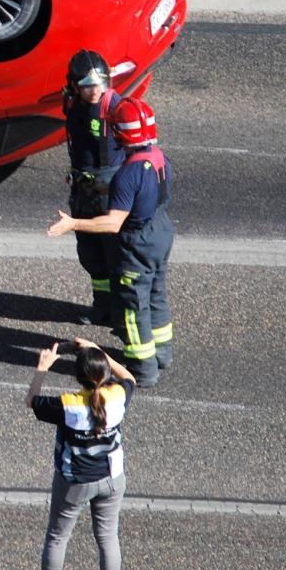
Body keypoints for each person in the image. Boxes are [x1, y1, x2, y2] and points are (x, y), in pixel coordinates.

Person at [46, 96, 173, 385]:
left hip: (136, 242)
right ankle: (163, 353)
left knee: (132, 306)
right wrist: (102, 186)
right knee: (156, 293)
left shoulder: (128, 173)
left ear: (119, 133)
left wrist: (73, 223)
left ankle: (142, 369)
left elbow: (113, 222)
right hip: (161, 232)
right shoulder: (160, 159)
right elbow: (144, 194)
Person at [16, 338, 137, 570]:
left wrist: (43, 368)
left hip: (75, 482)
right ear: (105, 373)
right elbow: (130, 377)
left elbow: (31, 401)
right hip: (111, 477)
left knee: (58, 536)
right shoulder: (118, 397)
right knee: (107, 537)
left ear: (78, 378)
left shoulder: (67, 405)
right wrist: (99, 350)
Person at [60, 50, 122, 325]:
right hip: (83, 190)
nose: (95, 91)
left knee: (114, 253)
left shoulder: (115, 108)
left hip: (108, 192)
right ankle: (102, 305)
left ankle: (121, 309)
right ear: (74, 86)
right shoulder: (72, 104)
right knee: (90, 252)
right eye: (87, 86)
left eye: (100, 84)